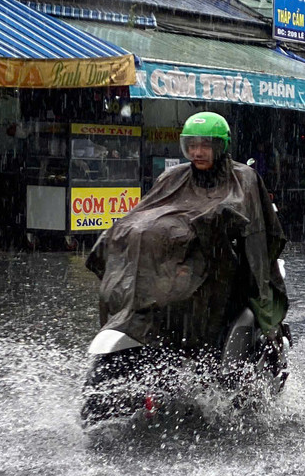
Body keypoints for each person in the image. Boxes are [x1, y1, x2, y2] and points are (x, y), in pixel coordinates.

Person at [86, 112, 288, 353]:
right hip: (177, 266)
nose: (197, 152)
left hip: (218, 268)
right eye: (191, 146)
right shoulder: (174, 176)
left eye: (205, 145)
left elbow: (253, 231)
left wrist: (216, 223)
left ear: (220, 146)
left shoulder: (243, 178)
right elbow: (149, 212)